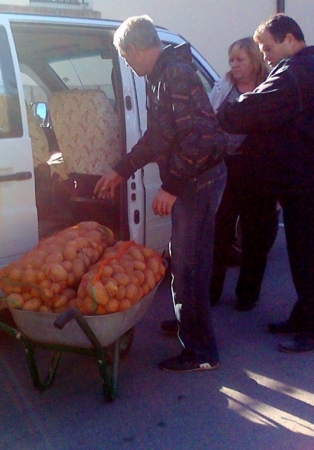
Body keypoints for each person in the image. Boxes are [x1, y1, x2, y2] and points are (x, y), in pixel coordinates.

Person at [94, 15, 227, 372]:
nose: (126, 64)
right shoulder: (162, 75)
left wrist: (172, 186)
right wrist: (122, 170)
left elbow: (202, 136)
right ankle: (191, 325)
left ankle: (201, 352)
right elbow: (159, 137)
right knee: (184, 260)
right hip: (194, 180)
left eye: (124, 58)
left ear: (134, 49)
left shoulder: (175, 74)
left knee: (189, 265)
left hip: (198, 182)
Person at [216, 14, 314, 353]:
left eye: (267, 48)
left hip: (309, 181)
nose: (265, 56)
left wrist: (220, 114)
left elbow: (259, 106)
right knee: (310, 255)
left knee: (312, 257)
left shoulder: (296, 72)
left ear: (290, 39)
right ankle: (305, 315)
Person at [207, 37, 278, 312]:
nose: (234, 65)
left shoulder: (270, 86)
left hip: (258, 170)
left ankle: (248, 294)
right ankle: (211, 291)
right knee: (219, 232)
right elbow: (209, 119)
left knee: (256, 234)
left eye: (240, 60)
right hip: (225, 168)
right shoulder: (223, 86)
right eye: (231, 60)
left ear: (255, 61)